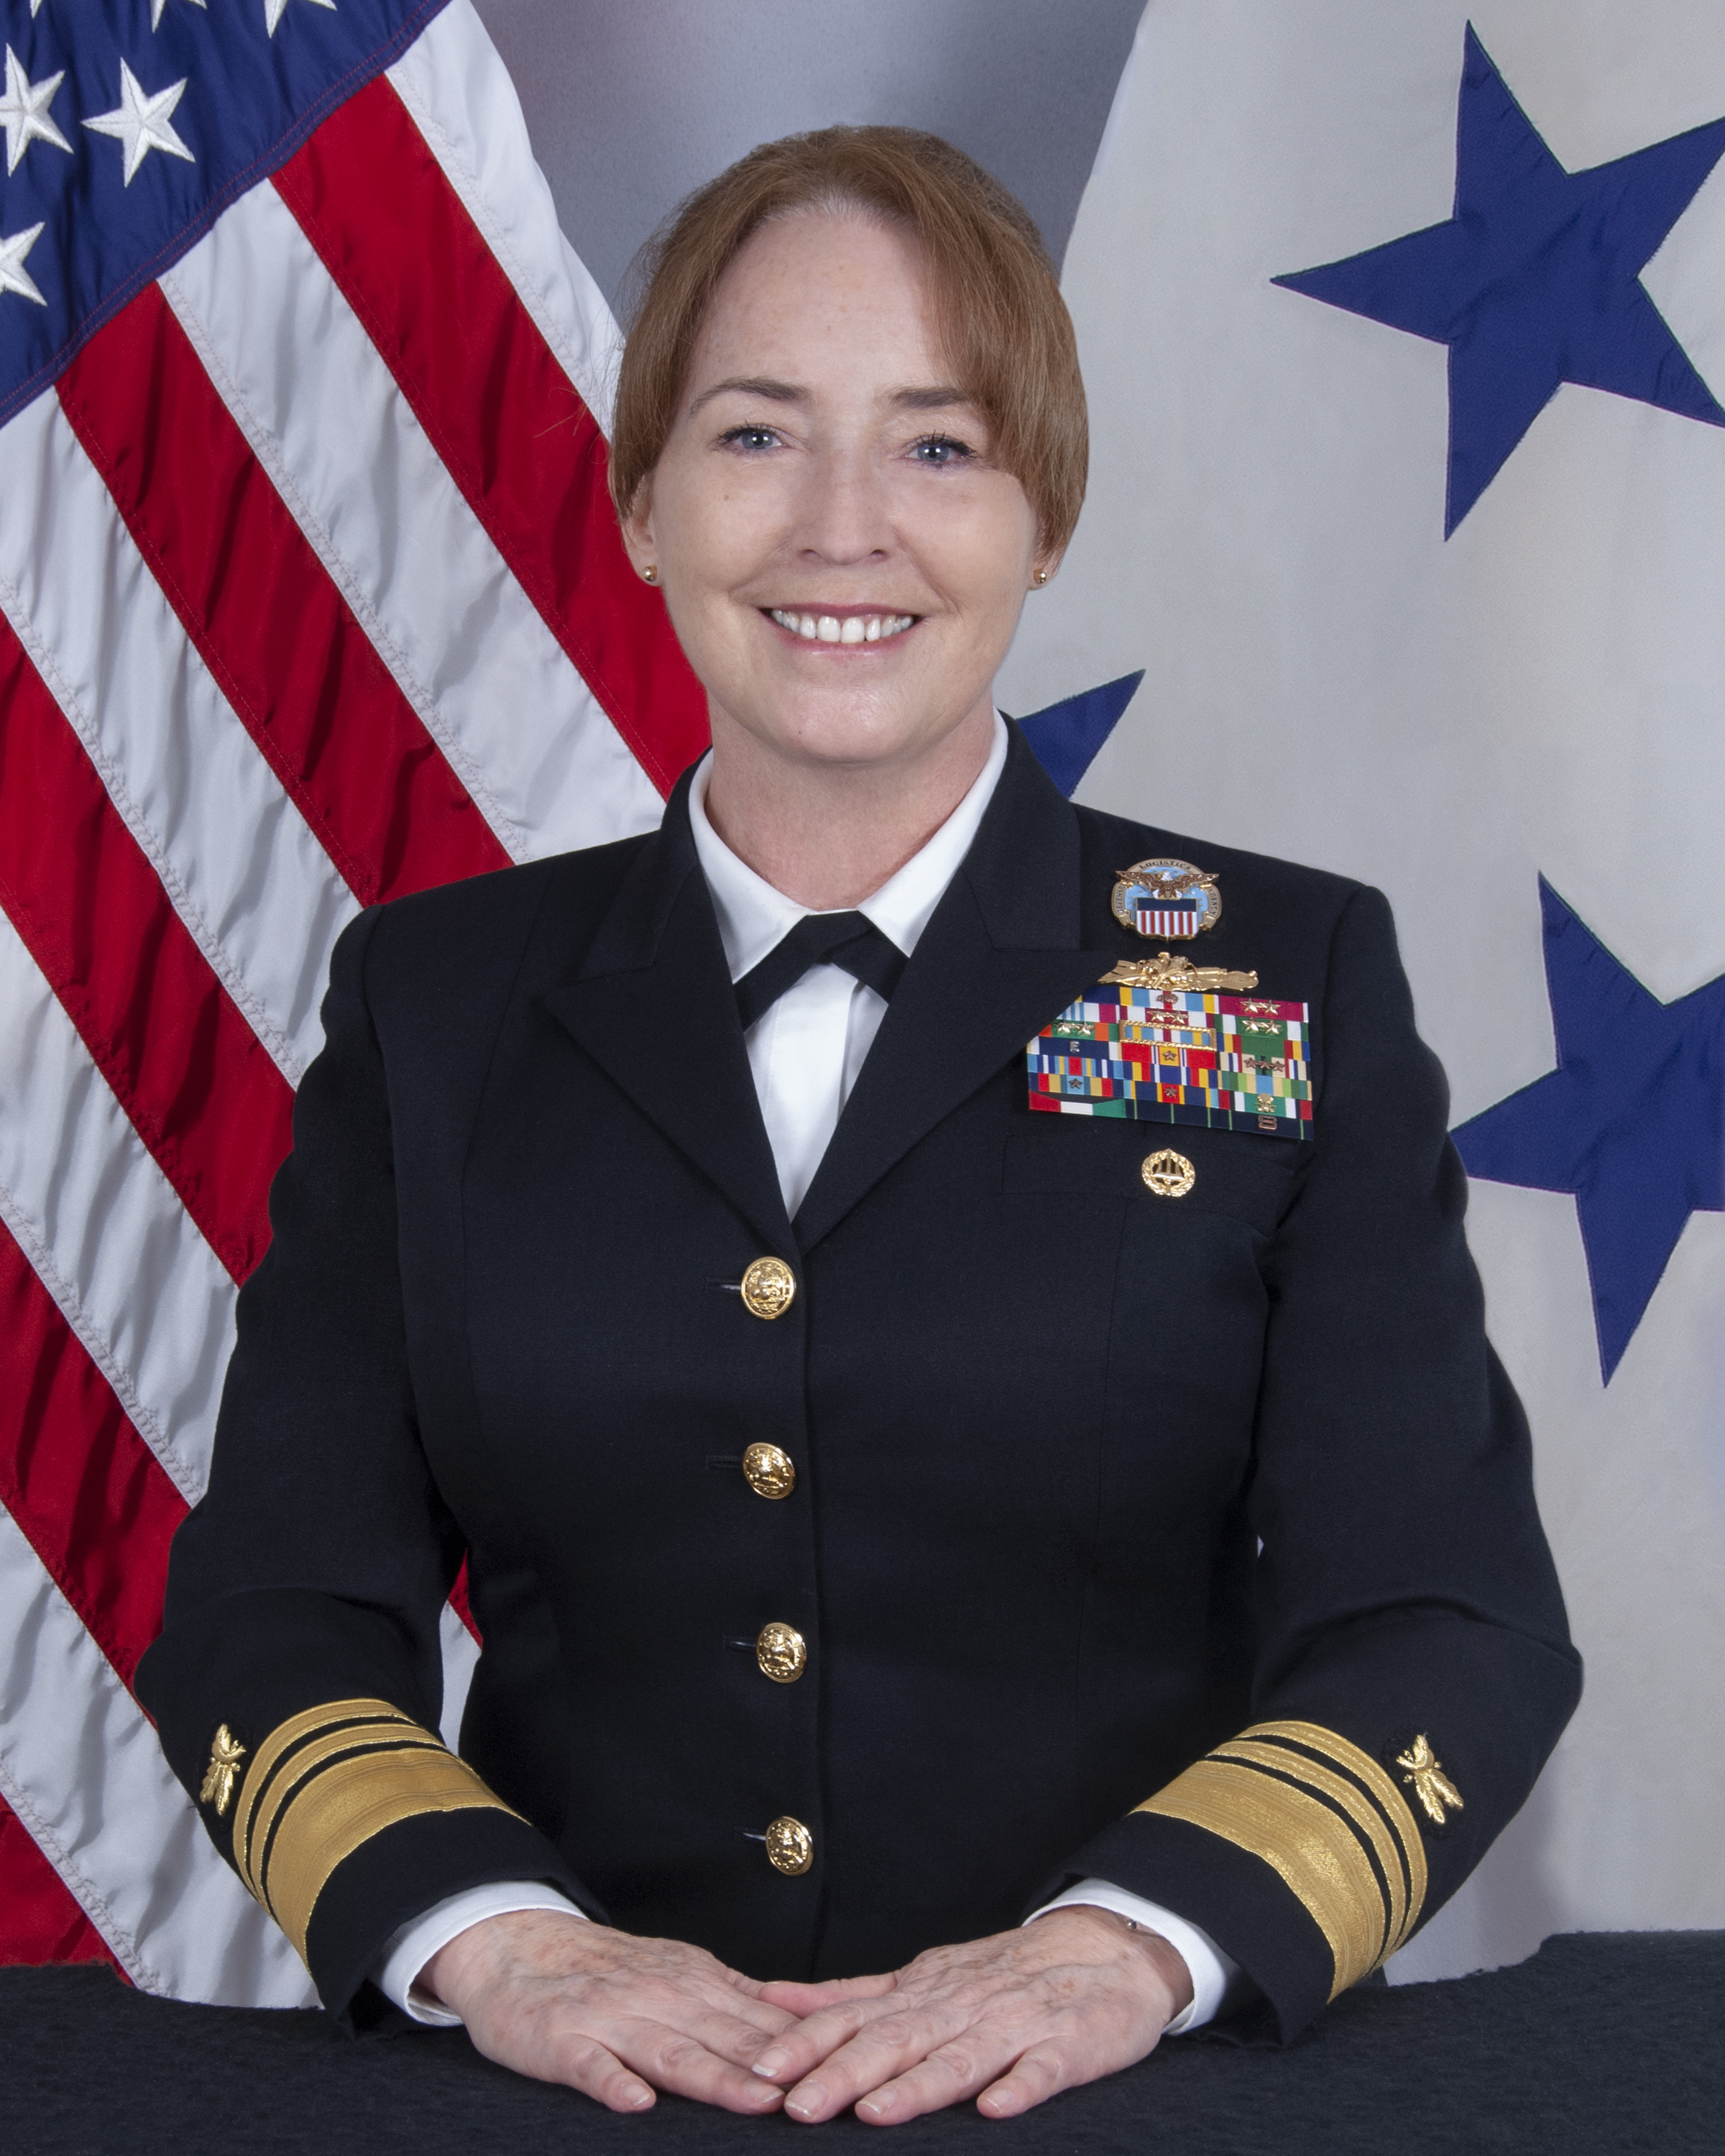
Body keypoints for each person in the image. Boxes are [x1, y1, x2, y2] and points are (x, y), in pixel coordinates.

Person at [137, 125, 1580, 2126]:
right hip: (574, 2094)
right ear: (640, 499)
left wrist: (1123, 1950)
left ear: (1043, 516)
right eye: (753, 437)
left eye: (938, 444)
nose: (842, 528)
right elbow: (275, 1608)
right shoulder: (437, 1004)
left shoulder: (1276, 982)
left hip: (1124, 2090)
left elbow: (1450, 1615)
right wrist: (500, 1942)